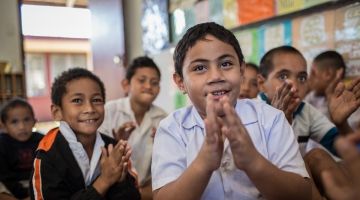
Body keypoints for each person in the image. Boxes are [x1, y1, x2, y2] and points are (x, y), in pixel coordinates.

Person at [151, 22, 310, 200]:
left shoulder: (271, 118)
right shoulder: (172, 128)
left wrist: (253, 162)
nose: (215, 76)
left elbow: (302, 193)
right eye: (199, 68)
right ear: (180, 82)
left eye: (226, 64)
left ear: (242, 71)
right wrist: (203, 163)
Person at [30, 68, 140, 199]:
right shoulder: (48, 154)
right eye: (77, 100)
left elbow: (134, 196)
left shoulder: (113, 148)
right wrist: (104, 181)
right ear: (57, 112)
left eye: (96, 100)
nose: (89, 109)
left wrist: (121, 182)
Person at [257, 46, 360, 156]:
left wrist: (341, 124)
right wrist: (278, 123)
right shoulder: (251, 112)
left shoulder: (305, 111)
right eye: (283, 76)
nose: (294, 87)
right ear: (261, 84)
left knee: (317, 156)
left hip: (297, 172)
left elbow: (346, 151)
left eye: (301, 78)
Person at [99, 56, 167, 199]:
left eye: (154, 83)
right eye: (142, 80)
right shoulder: (110, 111)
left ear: (159, 89)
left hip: (146, 190)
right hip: (114, 191)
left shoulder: (163, 118)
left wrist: (161, 145)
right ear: (126, 85)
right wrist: (116, 141)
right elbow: (98, 155)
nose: (148, 86)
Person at [0, 97, 43, 199]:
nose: (22, 127)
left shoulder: (42, 140)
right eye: (14, 122)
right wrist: (23, 194)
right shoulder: (2, 144)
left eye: (27, 120)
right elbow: (4, 176)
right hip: (11, 184)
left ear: (34, 121)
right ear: (4, 126)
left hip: (37, 182)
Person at [305, 50, 360, 130]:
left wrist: (330, 97)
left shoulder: (351, 102)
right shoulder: (313, 96)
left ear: (328, 74)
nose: (309, 78)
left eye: (313, 73)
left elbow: (350, 139)